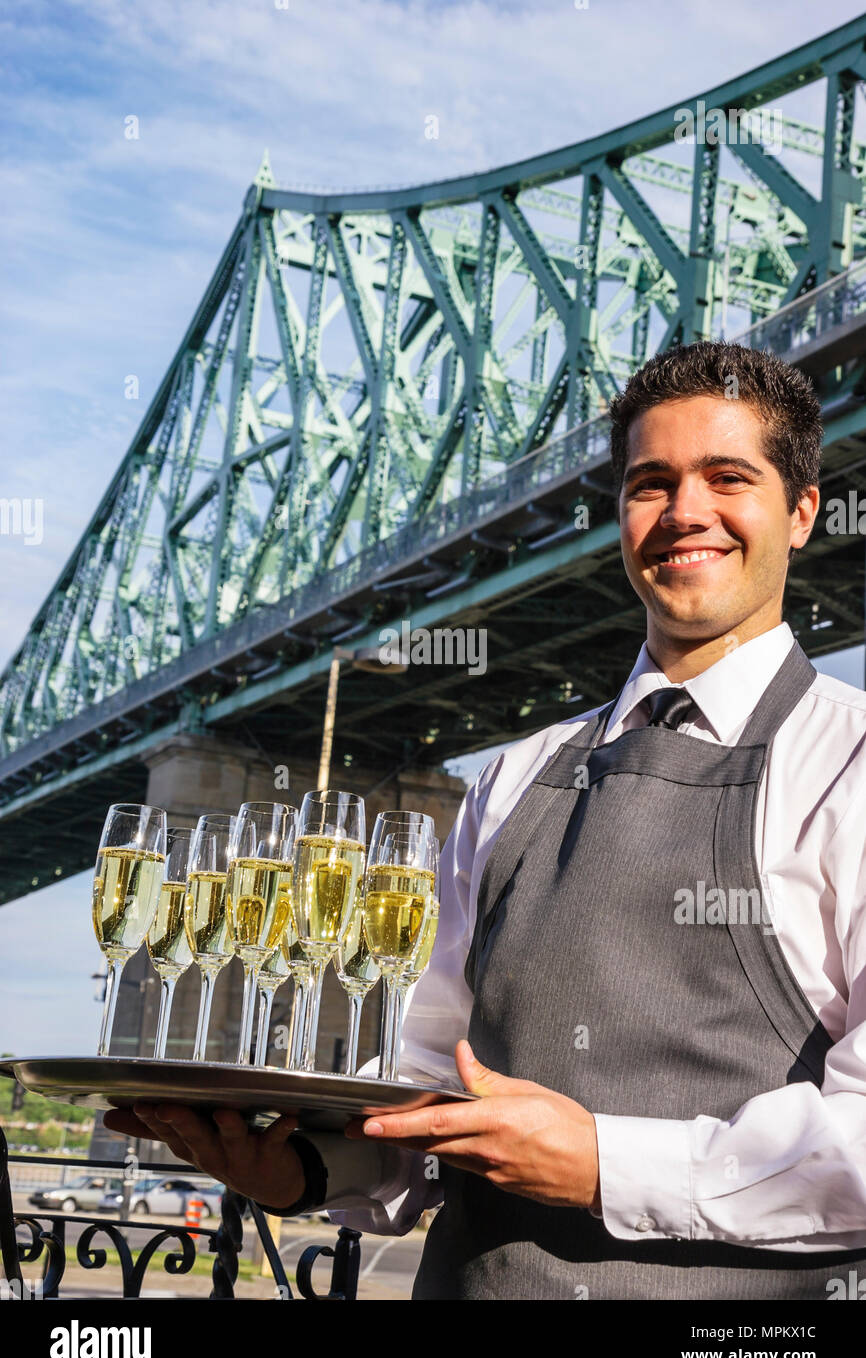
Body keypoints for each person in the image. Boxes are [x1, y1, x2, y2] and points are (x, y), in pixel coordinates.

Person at [106, 341, 866, 1300]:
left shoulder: (853, 769)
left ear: (801, 512)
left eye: (728, 478)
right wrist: (301, 1171)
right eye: (649, 483)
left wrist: (602, 1164)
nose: (685, 514)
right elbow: (426, 1092)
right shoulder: (512, 777)